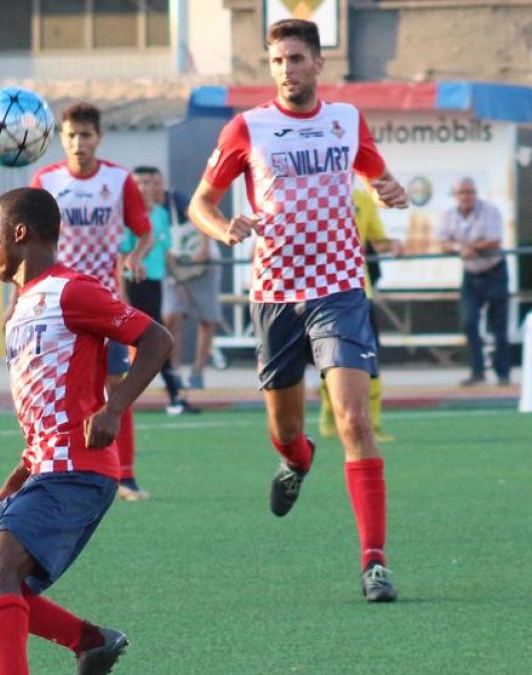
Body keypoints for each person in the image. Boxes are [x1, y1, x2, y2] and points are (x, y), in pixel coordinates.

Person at [188, 19, 409, 602]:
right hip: (276, 298)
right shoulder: (248, 128)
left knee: (353, 422)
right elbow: (200, 204)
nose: (286, 69)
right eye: (277, 61)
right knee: (285, 432)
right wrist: (223, 224)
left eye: (295, 58)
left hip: (339, 290)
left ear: (318, 64)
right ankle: (297, 461)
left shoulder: (346, 120)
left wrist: (391, 188)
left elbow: (377, 172)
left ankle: (374, 562)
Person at [0, 187, 172, 675]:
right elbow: (50, 402)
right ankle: (90, 641)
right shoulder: (22, 306)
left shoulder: (72, 289)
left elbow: (156, 338)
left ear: (19, 233)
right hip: (45, 465)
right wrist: (21, 470)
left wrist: (115, 407)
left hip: (78, 467)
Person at [30, 101, 154, 501]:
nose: (78, 143)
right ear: (61, 139)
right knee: (52, 389)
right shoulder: (45, 182)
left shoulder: (119, 180)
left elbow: (144, 231)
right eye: (71, 136)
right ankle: (49, 469)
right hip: (55, 303)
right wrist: (16, 301)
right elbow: (28, 245)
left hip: (104, 302)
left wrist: (135, 256)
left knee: (117, 387)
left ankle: (126, 475)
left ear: (98, 137)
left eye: (85, 135)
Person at [318, 189, 403, 440]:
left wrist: (393, 244)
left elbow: (378, 240)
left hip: (358, 290)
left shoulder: (361, 198)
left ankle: (373, 423)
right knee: (329, 359)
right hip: (321, 290)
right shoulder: (311, 193)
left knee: (369, 356)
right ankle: (329, 411)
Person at [126, 166, 199, 415]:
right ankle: (172, 395)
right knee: (147, 340)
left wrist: (178, 278)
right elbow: (120, 256)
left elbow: (165, 251)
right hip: (131, 284)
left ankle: (174, 396)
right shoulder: (126, 217)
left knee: (157, 339)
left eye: (149, 182)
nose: (145, 188)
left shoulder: (159, 214)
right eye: (140, 183)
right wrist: (121, 294)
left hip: (154, 283)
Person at [149, 170, 222, 392]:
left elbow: (200, 217)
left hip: (202, 265)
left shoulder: (177, 199)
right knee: (171, 316)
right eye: (143, 183)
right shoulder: (148, 211)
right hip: (175, 267)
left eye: (154, 182)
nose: (149, 187)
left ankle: (198, 371)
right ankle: (175, 372)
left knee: (207, 318)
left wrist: (203, 248)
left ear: (163, 183)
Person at [438, 177, 511, 387]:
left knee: (498, 326)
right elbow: (443, 242)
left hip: (494, 271)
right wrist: (461, 248)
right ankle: (477, 372)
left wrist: (471, 247)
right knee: (469, 321)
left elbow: (494, 240)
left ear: (475, 194)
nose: (466, 197)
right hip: (471, 274)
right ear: (456, 196)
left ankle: (503, 374)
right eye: (462, 193)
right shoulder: (450, 215)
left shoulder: (490, 211)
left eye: (469, 192)